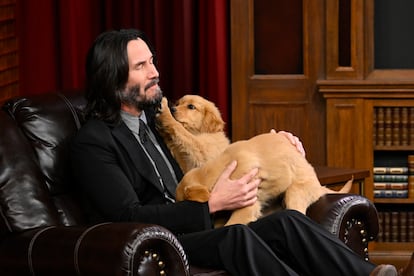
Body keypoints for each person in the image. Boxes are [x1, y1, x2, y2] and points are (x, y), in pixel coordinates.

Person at [70, 28, 412, 276]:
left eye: (152, 61)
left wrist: (276, 144)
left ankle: (367, 275)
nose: (155, 72)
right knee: (237, 236)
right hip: (162, 239)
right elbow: (129, 216)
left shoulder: (156, 119)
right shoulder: (94, 141)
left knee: (288, 222)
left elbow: (213, 151)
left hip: (196, 224)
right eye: (141, 66)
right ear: (114, 79)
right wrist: (212, 205)